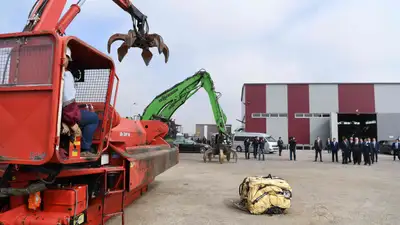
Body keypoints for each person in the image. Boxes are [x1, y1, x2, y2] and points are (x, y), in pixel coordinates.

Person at [61, 46, 99, 158]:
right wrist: (72, 123)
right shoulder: (66, 75)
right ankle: (84, 149)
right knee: (93, 118)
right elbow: (68, 101)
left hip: (55, 113)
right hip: (65, 116)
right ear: (65, 57)